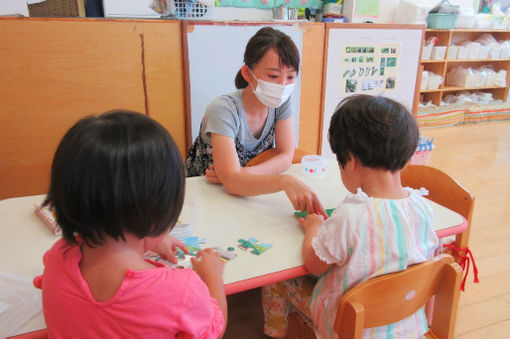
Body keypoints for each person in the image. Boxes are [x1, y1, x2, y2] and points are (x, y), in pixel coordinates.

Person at [33, 110, 227, 338]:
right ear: (162, 209)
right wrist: (212, 275)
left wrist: (145, 239)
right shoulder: (182, 290)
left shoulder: (58, 256)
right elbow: (214, 327)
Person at [262, 95, 440, 338]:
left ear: (351, 161)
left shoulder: (352, 215)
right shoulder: (424, 209)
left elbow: (314, 265)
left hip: (348, 327)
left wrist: (313, 227)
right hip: (405, 325)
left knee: (275, 281)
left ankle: (274, 334)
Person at [185, 27, 326, 216]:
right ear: (247, 74)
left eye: (290, 77)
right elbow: (233, 183)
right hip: (205, 196)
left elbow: (285, 155)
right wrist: (284, 181)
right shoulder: (223, 109)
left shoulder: (281, 102)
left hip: (248, 193)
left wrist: (241, 174)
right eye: (273, 76)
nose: (282, 85)